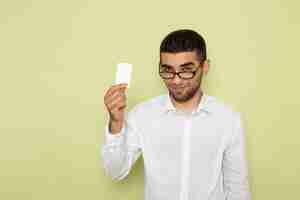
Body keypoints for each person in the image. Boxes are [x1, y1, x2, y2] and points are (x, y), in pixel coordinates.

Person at [101, 29, 251, 200]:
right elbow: (115, 171)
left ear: (205, 67)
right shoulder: (142, 115)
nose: (176, 80)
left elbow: (237, 188)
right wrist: (116, 123)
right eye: (167, 70)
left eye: (186, 70)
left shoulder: (227, 119)